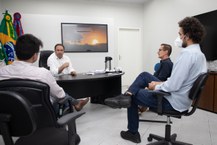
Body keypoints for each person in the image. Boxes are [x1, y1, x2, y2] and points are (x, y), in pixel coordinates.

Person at [105, 16, 207, 143]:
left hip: (172, 101)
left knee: (134, 96)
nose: (179, 37)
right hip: (183, 99)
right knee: (144, 75)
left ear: (187, 35)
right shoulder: (200, 55)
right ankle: (125, 95)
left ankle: (132, 132)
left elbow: (173, 85)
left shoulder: (187, 55)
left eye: (180, 34)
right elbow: (180, 82)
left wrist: (156, 86)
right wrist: (159, 83)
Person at [0, 34, 89, 113]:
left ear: (16, 53)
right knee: (59, 95)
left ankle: (77, 103)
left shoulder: (2, 71)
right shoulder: (42, 73)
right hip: (40, 113)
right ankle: (76, 103)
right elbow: (60, 95)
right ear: (35, 55)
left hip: (10, 114)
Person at [138, 43, 173, 113]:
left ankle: (139, 104)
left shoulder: (166, 63)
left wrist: (149, 83)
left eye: (160, 50)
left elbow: (161, 79)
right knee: (141, 82)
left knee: (143, 77)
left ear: (166, 52)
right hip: (158, 82)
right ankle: (141, 106)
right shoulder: (164, 62)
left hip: (160, 85)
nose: (157, 52)